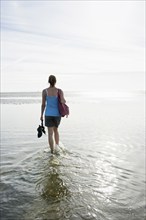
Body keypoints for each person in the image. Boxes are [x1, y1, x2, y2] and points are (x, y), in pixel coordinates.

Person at [40, 75, 66, 154]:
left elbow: (43, 104)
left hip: (48, 114)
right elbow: (63, 101)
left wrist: (41, 115)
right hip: (57, 114)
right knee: (56, 130)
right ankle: (57, 147)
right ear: (55, 81)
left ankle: (52, 151)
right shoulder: (59, 91)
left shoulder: (45, 91)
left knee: (50, 133)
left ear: (48, 81)